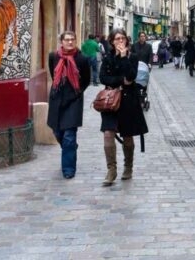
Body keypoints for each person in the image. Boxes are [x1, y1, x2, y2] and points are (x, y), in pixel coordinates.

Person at [99, 28, 148, 186]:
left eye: (122, 39)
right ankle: (111, 169)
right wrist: (120, 81)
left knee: (127, 136)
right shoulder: (107, 58)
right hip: (111, 101)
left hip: (128, 100)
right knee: (108, 134)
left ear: (126, 41)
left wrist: (123, 59)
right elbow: (103, 77)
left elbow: (131, 76)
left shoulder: (132, 57)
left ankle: (128, 166)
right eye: (117, 39)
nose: (120, 41)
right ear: (112, 42)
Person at [47, 31, 91, 179]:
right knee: (57, 132)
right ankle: (70, 148)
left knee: (69, 137)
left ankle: (68, 169)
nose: (70, 42)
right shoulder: (53, 56)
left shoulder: (82, 59)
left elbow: (86, 79)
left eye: (73, 39)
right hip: (57, 99)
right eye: (67, 40)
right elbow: (53, 75)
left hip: (73, 100)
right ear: (62, 41)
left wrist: (77, 92)